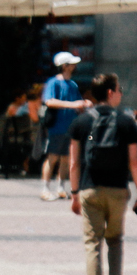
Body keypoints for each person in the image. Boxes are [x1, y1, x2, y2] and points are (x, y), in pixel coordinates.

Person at [67, 73, 137, 275]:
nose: (121, 92)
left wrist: (74, 194)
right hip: (117, 191)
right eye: (119, 89)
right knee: (115, 242)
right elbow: (134, 161)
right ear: (110, 93)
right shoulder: (126, 123)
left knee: (93, 245)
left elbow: (74, 162)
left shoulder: (83, 124)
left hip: (90, 189)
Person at [39, 51, 89, 201]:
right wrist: (72, 104)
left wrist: (84, 104)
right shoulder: (53, 82)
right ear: (65, 66)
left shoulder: (72, 84)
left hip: (70, 126)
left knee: (66, 158)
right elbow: (49, 101)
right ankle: (45, 188)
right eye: (72, 63)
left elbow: (77, 103)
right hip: (57, 126)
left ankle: (61, 187)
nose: (75, 66)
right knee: (52, 157)